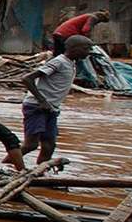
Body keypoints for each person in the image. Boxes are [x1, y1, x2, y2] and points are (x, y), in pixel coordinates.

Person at [21, 35, 88, 165]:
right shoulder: (59, 62)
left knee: (49, 146)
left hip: (51, 109)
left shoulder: (71, 63)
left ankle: (40, 172)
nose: (89, 52)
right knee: (31, 145)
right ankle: (4, 165)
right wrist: (42, 101)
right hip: (37, 106)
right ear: (74, 49)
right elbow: (27, 78)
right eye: (86, 48)